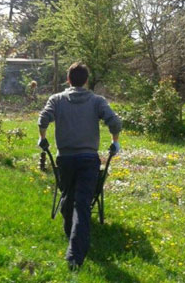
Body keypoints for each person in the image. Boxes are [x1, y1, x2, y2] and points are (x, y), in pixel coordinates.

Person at [37, 62, 122, 270]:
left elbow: (43, 119)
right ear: (86, 81)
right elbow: (115, 122)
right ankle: (75, 256)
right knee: (82, 203)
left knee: (70, 196)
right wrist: (115, 141)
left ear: (68, 80)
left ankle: (72, 238)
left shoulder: (56, 100)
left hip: (64, 160)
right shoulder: (96, 101)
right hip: (88, 160)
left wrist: (43, 138)